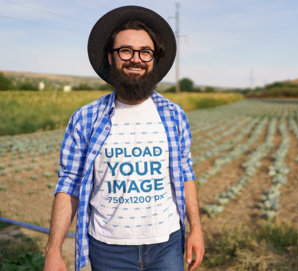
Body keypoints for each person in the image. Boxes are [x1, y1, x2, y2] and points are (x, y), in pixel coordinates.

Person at [44, 6, 204, 271]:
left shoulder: (174, 115)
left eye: (145, 52)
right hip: (108, 250)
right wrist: (53, 250)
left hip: (167, 245)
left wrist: (196, 228)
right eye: (125, 50)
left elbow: (185, 173)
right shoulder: (86, 118)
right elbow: (69, 183)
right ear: (110, 57)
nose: (136, 59)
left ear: (153, 59)